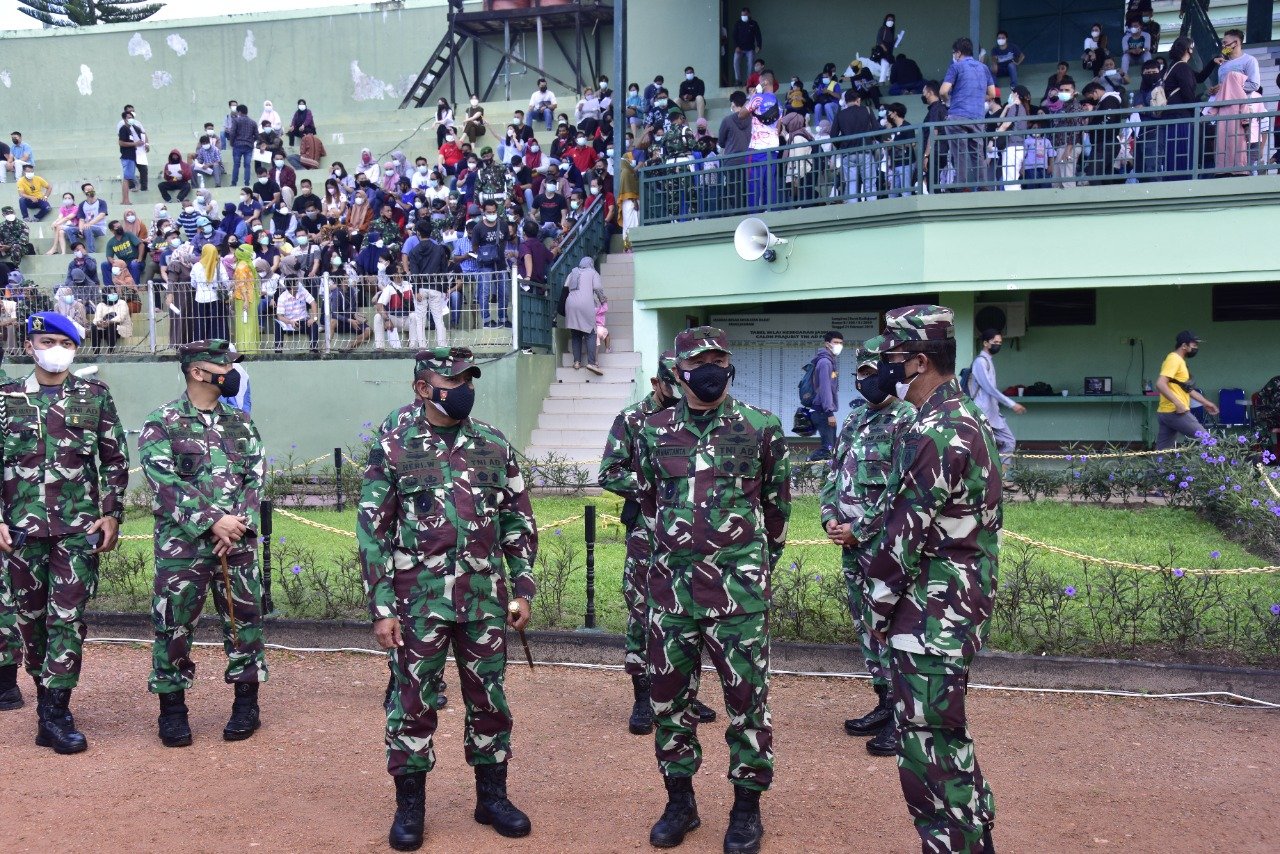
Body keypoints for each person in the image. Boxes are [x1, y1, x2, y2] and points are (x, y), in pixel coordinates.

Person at [358, 346, 537, 849]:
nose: (464, 388)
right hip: (419, 600)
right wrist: (382, 606)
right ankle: (409, 807)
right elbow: (373, 530)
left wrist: (521, 587)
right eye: (453, 380)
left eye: (468, 379)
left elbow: (517, 520)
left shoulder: (493, 444)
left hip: (483, 597)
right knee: (413, 702)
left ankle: (492, 797)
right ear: (423, 388)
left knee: (489, 697)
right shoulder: (395, 444)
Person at [634, 325, 790, 854]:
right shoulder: (652, 431)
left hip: (738, 597)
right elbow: (651, 501)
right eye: (700, 361)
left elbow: (776, 509)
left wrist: (749, 568)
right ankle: (681, 803)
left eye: (720, 359)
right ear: (678, 374)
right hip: (672, 595)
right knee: (668, 702)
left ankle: (746, 809)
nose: (711, 368)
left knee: (747, 702)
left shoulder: (761, 428)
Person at [859, 305, 999, 854]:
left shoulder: (938, 432)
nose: (884, 371)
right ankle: (974, 832)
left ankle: (956, 842)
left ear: (919, 361)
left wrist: (873, 611)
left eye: (892, 360)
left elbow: (902, 538)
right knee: (945, 735)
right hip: (954, 604)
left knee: (929, 749)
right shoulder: (962, 418)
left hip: (931, 613)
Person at [0, 312, 129, 752]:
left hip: (77, 529)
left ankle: (56, 710)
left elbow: (114, 459)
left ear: (75, 349)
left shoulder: (95, 396)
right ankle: (43, 701)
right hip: (20, 530)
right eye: (46, 340)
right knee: (30, 620)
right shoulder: (6, 398)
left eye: (64, 342)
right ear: (30, 344)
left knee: (68, 618)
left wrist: (111, 513)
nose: (55, 349)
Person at [138, 339, 265, 747]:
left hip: (237, 544)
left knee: (243, 621)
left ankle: (246, 704)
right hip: (182, 547)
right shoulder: (163, 422)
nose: (231, 371)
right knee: (173, 625)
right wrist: (214, 522)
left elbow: (255, 476)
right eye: (223, 364)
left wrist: (237, 525)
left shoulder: (240, 423)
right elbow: (164, 484)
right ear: (197, 372)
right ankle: (172, 711)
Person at [598, 351, 720, 734]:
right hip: (648, 534)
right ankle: (642, 695)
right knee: (642, 612)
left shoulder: (703, 420)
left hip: (694, 540)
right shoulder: (634, 419)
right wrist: (655, 487)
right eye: (675, 384)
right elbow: (609, 472)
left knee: (690, 612)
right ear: (657, 384)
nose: (684, 391)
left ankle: (684, 691)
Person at [821, 347, 915, 756]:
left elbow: (902, 490)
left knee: (890, 627)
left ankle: (904, 717)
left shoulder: (907, 420)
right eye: (860, 372)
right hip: (849, 545)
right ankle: (884, 702)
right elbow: (834, 471)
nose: (865, 380)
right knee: (865, 627)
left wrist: (860, 529)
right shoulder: (856, 417)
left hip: (882, 546)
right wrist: (829, 517)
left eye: (873, 371)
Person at [940, 38, 996, 191]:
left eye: (954, 53)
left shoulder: (955, 67)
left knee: (959, 152)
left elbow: (943, 91)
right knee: (977, 152)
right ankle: (983, 185)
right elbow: (992, 93)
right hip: (977, 117)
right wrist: (977, 97)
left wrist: (948, 101)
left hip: (957, 115)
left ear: (958, 53)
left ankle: (961, 185)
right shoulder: (984, 68)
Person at [968, 329, 1025, 474]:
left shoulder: (988, 362)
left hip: (993, 414)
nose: (998, 345)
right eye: (995, 342)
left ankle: (1000, 477)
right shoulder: (980, 362)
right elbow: (989, 389)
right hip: (981, 415)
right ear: (986, 343)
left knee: (1008, 442)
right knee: (980, 449)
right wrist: (1012, 404)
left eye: (1000, 343)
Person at [1155, 331, 1218, 449]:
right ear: (1184, 346)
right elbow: (1160, 383)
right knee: (1208, 441)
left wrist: (1206, 403)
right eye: (1194, 345)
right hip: (1175, 412)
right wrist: (1178, 403)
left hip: (1166, 412)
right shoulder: (1174, 359)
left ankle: (1158, 468)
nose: (1196, 348)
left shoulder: (1180, 361)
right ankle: (1217, 466)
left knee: (1162, 453)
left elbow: (1187, 389)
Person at [831, 90, 877, 202]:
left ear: (845, 102)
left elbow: (833, 135)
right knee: (869, 182)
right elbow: (876, 129)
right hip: (865, 150)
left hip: (847, 152)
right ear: (858, 99)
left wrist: (842, 145)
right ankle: (873, 211)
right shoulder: (867, 110)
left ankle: (853, 211)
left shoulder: (840, 114)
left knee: (851, 184)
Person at [564, 256, 605, 374]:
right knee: (591, 333)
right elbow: (597, 288)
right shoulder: (593, 273)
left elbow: (566, 287)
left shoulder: (573, 272)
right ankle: (591, 363)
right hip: (585, 304)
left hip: (570, 304)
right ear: (591, 264)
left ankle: (576, 362)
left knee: (576, 333)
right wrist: (602, 300)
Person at [808, 331, 843, 460]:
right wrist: (829, 413)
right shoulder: (825, 363)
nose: (839, 345)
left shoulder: (830, 361)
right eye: (836, 342)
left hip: (822, 410)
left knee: (831, 449)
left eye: (841, 343)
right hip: (822, 411)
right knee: (827, 449)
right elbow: (825, 388)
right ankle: (799, 470)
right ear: (827, 344)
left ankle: (827, 476)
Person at [731, 7, 764, 85]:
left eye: (745, 14)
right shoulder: (738, 23)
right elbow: (734, 36)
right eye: (742, 15)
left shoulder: (753, 23)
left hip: (750, 48)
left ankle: (749, 81)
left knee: (750, 64)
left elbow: (758, 35)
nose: (743, 16)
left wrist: (759, 46)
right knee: (735, 62)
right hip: (739, 48)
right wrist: (736, 46)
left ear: (749, 14)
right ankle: (738, 80)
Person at [229, 104, 259, 187]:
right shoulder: (253, 122)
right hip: (249, 146)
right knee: (247, 165)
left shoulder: (236, 120)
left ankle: (234, 183)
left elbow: (232, 133)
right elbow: (257, 136)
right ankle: (246, 183)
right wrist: (251, 141)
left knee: (236, 165)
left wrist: (232, 143)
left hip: (237, 145)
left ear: (239, 112)